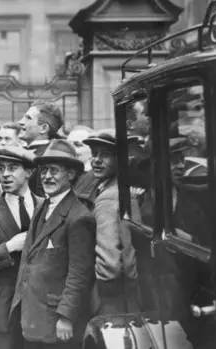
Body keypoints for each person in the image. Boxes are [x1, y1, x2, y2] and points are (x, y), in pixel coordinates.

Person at [10, 140, 95, 349]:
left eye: (54, 171)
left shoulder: (79, 218)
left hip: (55, 322)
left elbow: (80, 274)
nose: (47, 176)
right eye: (44, 170)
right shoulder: (44, 206)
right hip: (32, 315)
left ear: (71, 175)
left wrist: (66, 316)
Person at [0, 146, 42, 349]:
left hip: (35, 308)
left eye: (13, 168)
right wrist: (9, 247)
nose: (5, 174)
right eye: (2, 169)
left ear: (29, 172)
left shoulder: (44, 207)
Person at [82, 130, 138, 315]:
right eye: (94, 154)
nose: (96, 160)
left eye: (105, 155)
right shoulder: (118, 188)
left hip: (109, 297)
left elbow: (110, 265)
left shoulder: (109, 196)